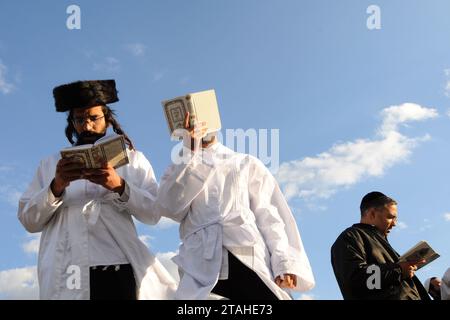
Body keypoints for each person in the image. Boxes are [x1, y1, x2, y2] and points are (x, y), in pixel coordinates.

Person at [18, 80, 176, 299]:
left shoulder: (133, 160)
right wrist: (57, 186)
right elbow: (29, 220)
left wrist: (119, 186)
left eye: (93, 118)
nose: (87, 125)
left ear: (107, 119)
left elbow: (153, 213)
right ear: (72, 122)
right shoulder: (50, 164)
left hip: (118, 264)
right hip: (69, 268)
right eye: (80, 119)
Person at [155, 112, 315, 300]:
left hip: (248, 256)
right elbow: (168, 207)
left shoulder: (244, 162)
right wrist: (190, 153)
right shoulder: (178, 169)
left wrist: (283, 262)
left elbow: (270, 215)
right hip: (200, 265)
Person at [330, 191, 430, 300]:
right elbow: (355, 280)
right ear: (372, 214)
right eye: (390, 217)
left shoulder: (381, 242)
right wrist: (400, 270)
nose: (394, 223)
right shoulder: (351, 237)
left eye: (395, 219)